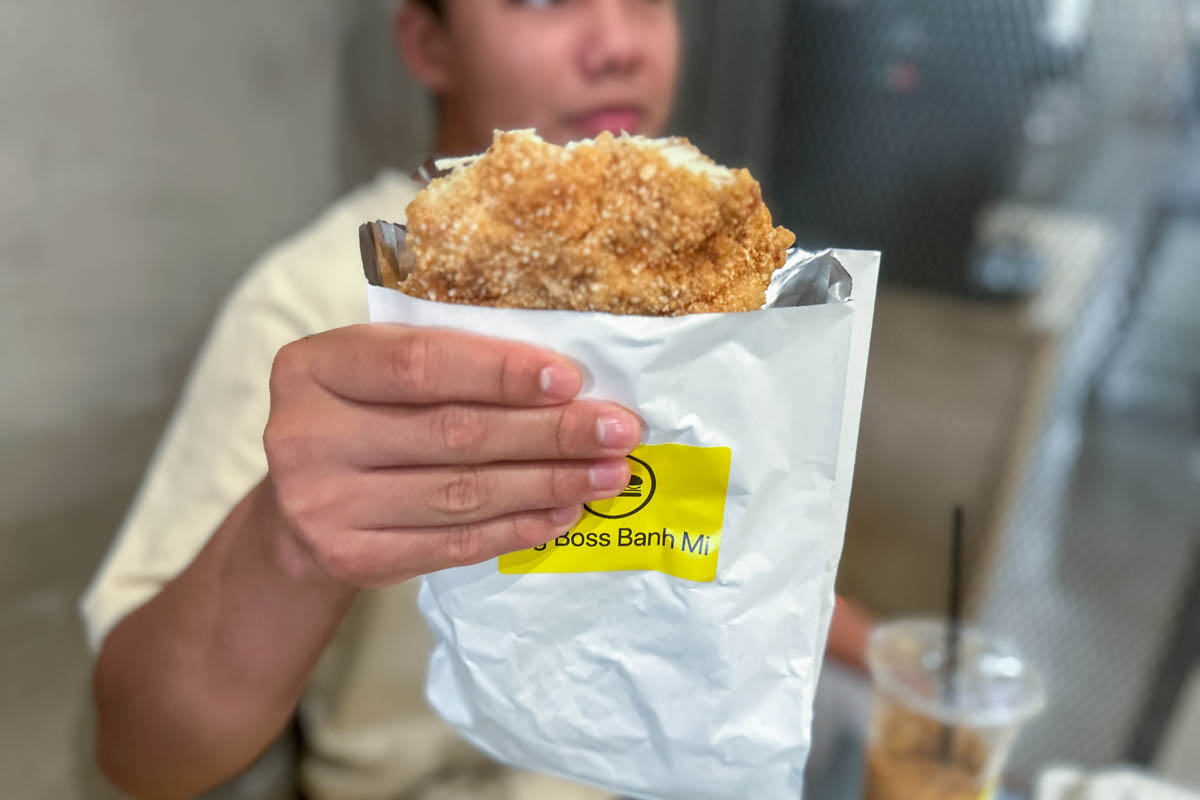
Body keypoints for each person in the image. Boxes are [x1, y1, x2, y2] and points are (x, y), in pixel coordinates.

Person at [82, 2, 873, 798]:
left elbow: (733, 539)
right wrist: (284, 540)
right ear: (429, 44)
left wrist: (886, 654)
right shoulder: (316, 300)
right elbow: (142, 750)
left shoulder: (721, 288)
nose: (617, 44)